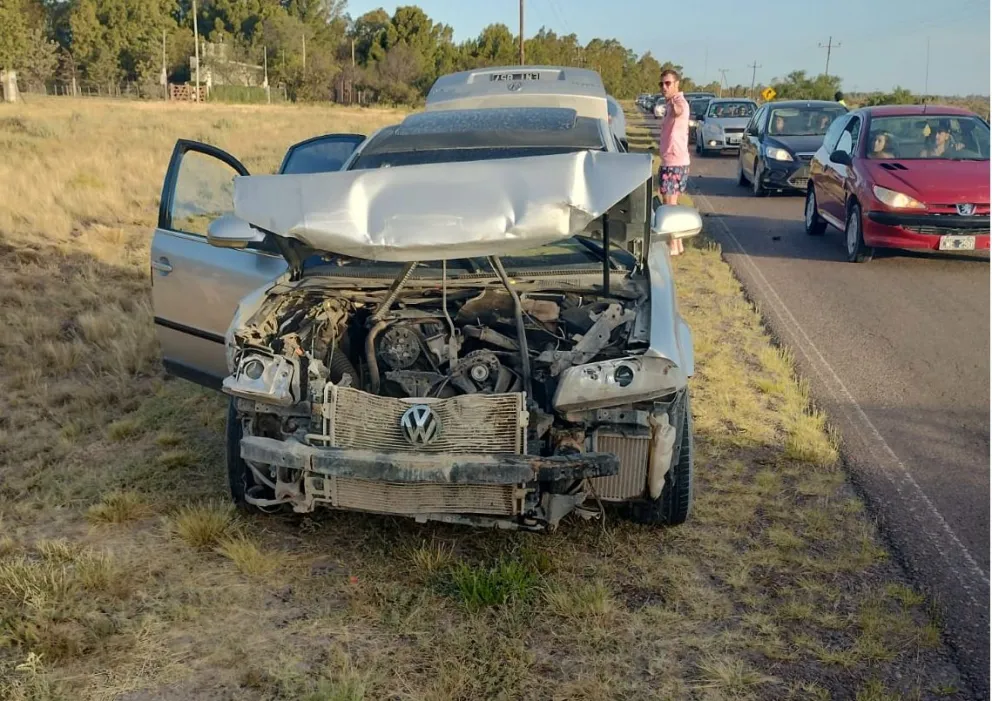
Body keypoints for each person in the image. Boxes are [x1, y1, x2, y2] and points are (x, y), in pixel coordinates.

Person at [656, 68, 691, 256]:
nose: (664, 87)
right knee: (669, 202)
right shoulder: (670, 103)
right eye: (661, 84)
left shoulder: (679, 103)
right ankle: (677, 244)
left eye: (668, 83)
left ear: (677, 84)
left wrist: (673, 105)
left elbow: (679, 112)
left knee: (670, 205)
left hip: (675, 161)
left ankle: (674, 246)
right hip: (669, 160)